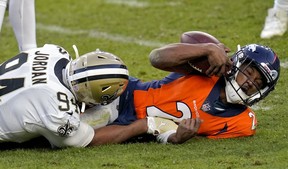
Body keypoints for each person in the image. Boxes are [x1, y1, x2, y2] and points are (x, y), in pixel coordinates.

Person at [85, 41, 280, 144]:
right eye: (248, 72)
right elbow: (157, 58)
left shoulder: (243, 124)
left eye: (258, 82)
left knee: (76, 139)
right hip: (123, 96)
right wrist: (207, 48)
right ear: (236, 63)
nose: (249, 83)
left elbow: (201, 140)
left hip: (144, 129)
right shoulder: (209, 71)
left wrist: (183, 136)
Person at [0, 44, 185, 148]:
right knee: (104, 114)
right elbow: (86, 140)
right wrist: (144, 125)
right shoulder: (56, 108)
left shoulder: (55, 52)